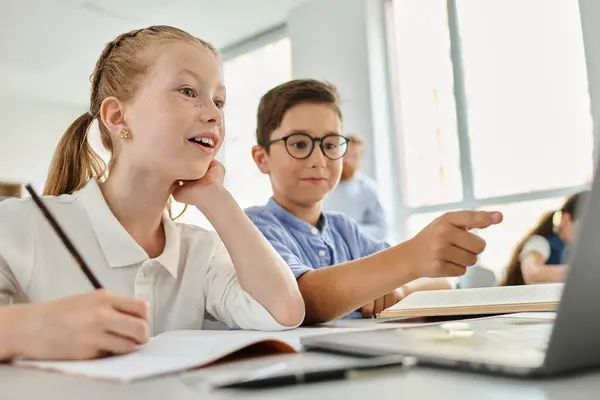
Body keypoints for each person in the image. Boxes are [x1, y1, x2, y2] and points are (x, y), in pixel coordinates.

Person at [0, 25, 304, 361]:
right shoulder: (21, 224)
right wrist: (34, 326)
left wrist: (216, 199)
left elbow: (283, 311)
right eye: (188, 91)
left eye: (219, 101)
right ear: (117, 117)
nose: (214, 114)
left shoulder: (200, 251)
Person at [246, 79, 502, 324]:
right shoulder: (252, 229)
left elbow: (442, 284)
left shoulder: (345, 230)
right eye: (299, 144)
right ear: (262, 158)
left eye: (331, 144)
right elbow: (303, 299)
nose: (319, 160)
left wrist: (400, 289)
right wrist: (411, 257)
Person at [500, 191, 589, 286]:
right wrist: (585, 272)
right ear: (566, 219)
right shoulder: (539, 243)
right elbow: (533, 274)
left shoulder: (572, 251)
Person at [322, 133, 389, 240]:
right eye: (344, 154)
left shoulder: (368, 189)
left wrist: (350, 230)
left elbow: (382, 229)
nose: (347, 160)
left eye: (354, 156)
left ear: (360, 159)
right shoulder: (322, 185)